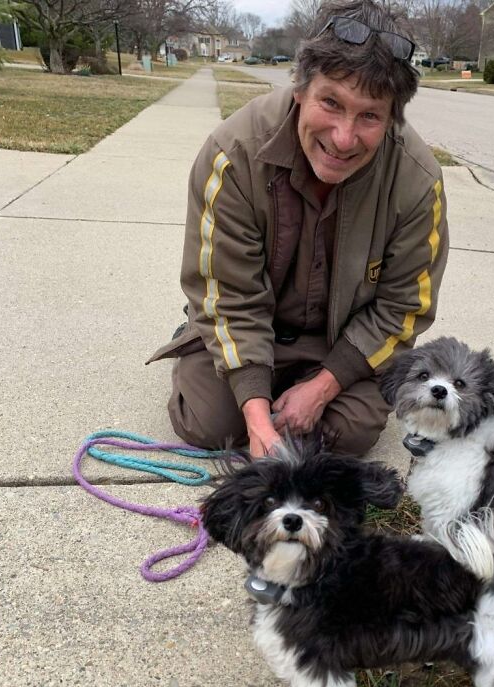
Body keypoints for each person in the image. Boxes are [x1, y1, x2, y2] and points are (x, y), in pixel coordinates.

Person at [147, 0, 449, 458]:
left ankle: (305, 384)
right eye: (331, 103)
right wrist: (254, 411)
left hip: (341, 340)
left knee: (344, 438)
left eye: (369, 115)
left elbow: (404, 308)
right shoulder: (233, 154)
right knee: (211, 426)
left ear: (392, 118)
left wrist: (324, 387)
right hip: (252, 319)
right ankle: (203, 340)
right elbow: (228, 291)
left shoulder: (418, 181)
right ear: (300, 90)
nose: (343, 138)